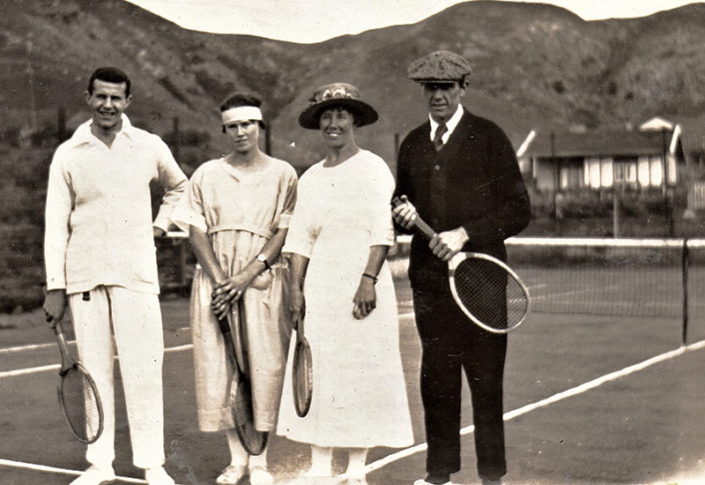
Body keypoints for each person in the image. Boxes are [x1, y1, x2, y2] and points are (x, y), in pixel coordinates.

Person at [392, 51, 531, 485]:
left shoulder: (489, 137)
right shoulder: (413, 143)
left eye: (446, 87)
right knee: (437, 380)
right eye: (430, 88)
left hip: (482, 282)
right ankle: (439, 475)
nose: (437, 95)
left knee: (486, 383)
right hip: (430, 285)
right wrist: (400, 213)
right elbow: (400, 202)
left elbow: (519, 209)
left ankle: (491, 476)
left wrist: (465, 233)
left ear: (463, 88)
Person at [43, 67, 187, 485]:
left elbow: (180, 188)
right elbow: (56, 224)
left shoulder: (148, 145)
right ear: (88, 98)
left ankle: (152, 463)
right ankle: (100, 463)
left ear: (128, 102)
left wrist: (159, 227)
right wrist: (55, 286)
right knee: (94, 370)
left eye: (116, 97)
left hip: (135, 275)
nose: (108, 104)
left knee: (144, 369)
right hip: (83, 278)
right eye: (101, 96)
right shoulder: (68, 153)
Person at [276, 83, 414, 485]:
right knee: (322, 372)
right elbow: (300, 239)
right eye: (327, 116)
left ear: (354, 120)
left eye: (341, 115)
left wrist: (368, 280)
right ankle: (320, 466)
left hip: (363, 286)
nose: (333, 123)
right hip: (320, 287)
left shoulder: (373, 168)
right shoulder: (310, 178)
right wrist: (295, 289)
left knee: (362, 374)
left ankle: (356, 469)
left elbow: (382, 231)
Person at [171, 92, 298, 485]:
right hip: (216, 284)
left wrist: (245, 275)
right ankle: (237, 460)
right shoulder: (206, 174)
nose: (241, 132)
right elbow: (195, 230)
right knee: (220, 367)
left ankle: (259, 462)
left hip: (260, 281)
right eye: (233, 126)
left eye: (247, 124)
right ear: (224, 130)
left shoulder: (284, 174)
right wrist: (220, 279)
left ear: (259, 126)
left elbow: (284, 232)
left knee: (264, 366)